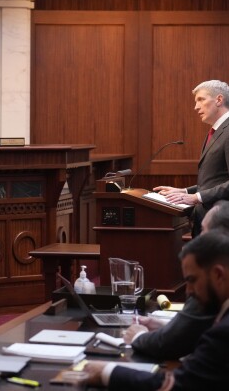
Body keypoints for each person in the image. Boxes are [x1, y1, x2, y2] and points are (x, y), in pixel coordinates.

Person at [84, 230, 229, 390]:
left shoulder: (223, 333)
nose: (188, 291)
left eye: (192, 280)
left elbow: (177, 385)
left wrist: (107, 372)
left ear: (218, 275)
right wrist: (165, 328)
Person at [123, 201, 229, 360]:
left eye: (203, 231)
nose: (197, 239)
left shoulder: (210, 281)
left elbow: (172, 343)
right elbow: (197, 331)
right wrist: (165, 327)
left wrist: (138, 336)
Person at [154, 80, 229, 237]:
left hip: (221, 224)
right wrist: (186, 191)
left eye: (201, 99)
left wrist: (196, 197)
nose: (196, 107)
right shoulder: (217, 131)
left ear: (219, 100)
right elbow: (217, 179)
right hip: (209, 221)